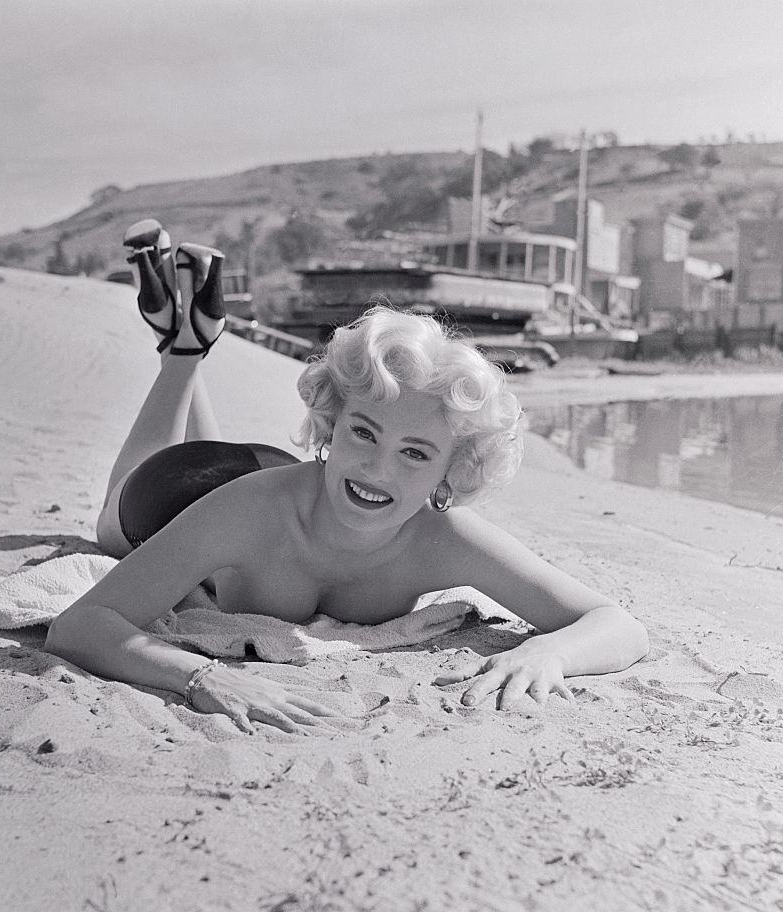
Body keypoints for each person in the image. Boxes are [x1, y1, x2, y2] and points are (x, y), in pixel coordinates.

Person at [45, 223, 649, 734]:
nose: (377, 467)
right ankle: (182, 355)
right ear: (330, 425)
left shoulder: (442, 536)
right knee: (111, 528)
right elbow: (82, 625)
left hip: (288, 484)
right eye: (363, 432)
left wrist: (549, 651)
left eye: (416, 454)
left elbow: (615, 625)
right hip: (186, 491)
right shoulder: (243, 514)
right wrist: (202, 675)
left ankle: (190, 339)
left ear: (453, 469)